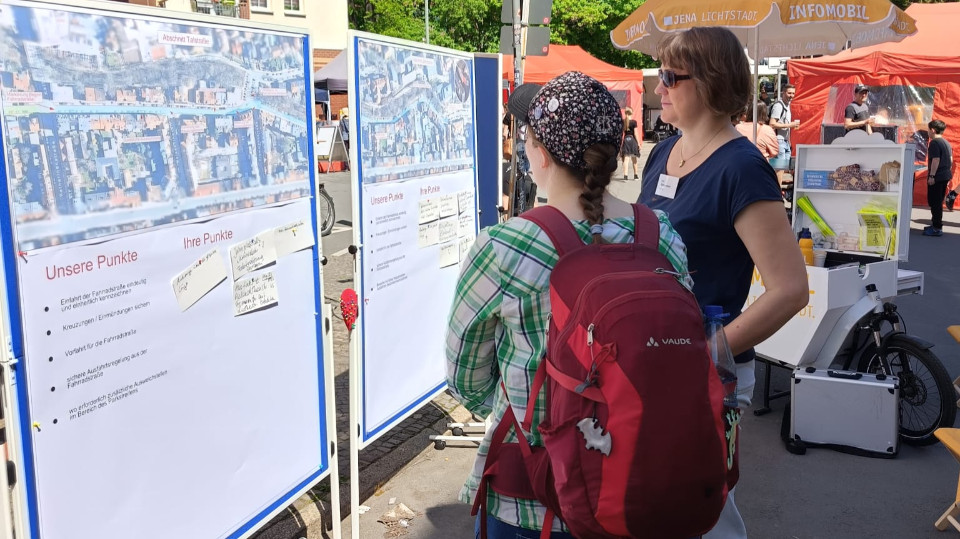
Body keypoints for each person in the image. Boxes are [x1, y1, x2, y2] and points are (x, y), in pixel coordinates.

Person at [447, 71, 692, 539]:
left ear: (537, 152)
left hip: (533, 497)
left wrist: (521, 404)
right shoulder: (662, 235)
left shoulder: (503, 246)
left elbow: (465, 376)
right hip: (643, 483)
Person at [638, 27, 809, 539]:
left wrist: (710, 351)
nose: (659, 87)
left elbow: (790, 288)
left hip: (704, 369)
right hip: (653, 358)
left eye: (671, 76)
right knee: (659, 502)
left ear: (709, 83)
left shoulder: (741, 167)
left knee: (701, 510)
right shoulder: (662, 153)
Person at [924, 119, 953, 236]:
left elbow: (936, 160)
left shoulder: (934, 143)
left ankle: (936, 227)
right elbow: (950, 160)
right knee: (938, 202)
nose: (928, 132)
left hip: (937, 176)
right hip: (944, 175)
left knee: (934, 202)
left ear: (932, 130)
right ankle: (935, 225)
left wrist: (932, 176)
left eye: (928, 130)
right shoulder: (946, 142)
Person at [768, 84, 800, 160]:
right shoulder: (778, 106)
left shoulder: (787, 105)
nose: (791, 95)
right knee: (780, 168)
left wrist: (789, 140)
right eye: (789, 93)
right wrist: (790, 125)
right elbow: (772, 124)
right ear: (783, 93)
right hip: (779, 141)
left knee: (785, 167)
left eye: (793, 93)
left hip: (785, 141)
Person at [621, 107, 641, 180]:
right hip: (632, 140)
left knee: (626, 159)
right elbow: (636, 133)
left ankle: (625, 176)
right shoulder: (634, 122)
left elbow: (621, 133)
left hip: (626, 140)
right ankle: (635, 175)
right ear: (631, 113)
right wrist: (638, 143)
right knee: (634, 159)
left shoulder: (623, 122)